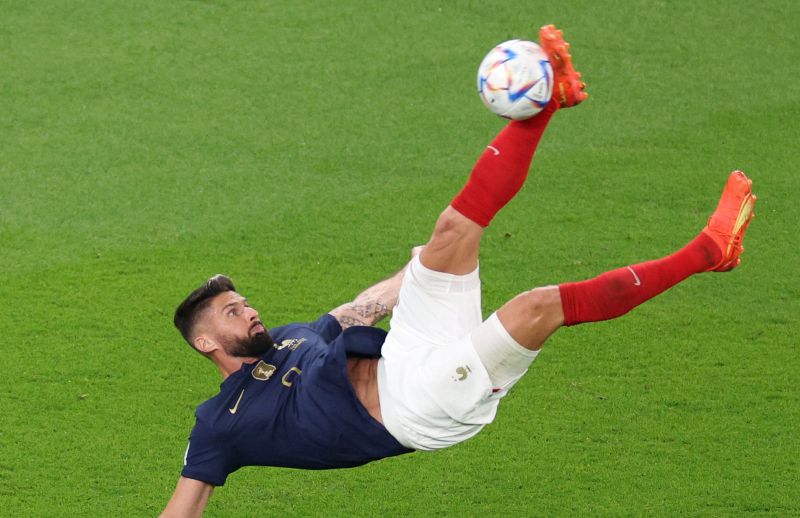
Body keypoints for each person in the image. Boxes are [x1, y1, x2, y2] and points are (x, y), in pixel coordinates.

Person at [160, 24, 756, 517]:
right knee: (537, 306)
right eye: (232, 312)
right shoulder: (217, 424)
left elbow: (365, 308)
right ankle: (709, 252)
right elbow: (184, 507)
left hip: (406, 350)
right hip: (418, 408)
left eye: (243, 301)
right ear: (206, 341)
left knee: (452, 229)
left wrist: (421, 267)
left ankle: (547, 101)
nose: (250, 310)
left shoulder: (292, 338)